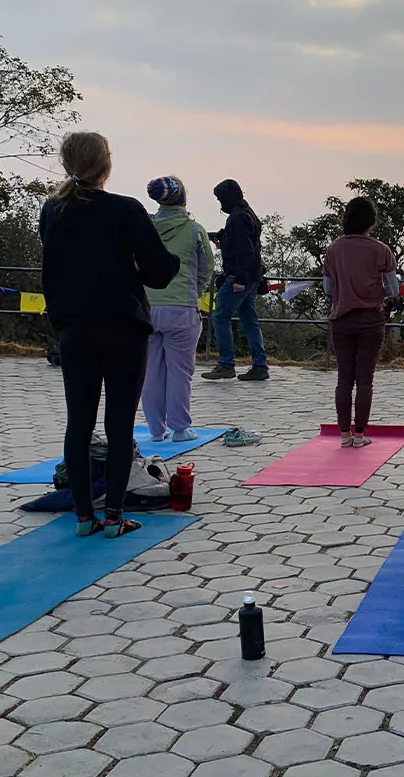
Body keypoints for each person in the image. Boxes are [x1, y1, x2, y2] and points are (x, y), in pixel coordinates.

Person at [40, 131, 179, 538]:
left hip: (74, 326)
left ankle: (84, 516)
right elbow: (157, 269)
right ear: (107, 164)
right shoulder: (125, 210)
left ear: (67, 164)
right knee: (119, 424)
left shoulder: (53, 210)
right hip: (122, 326)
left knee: (78, 423)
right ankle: (115, 516)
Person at [141, 176, 212, 443]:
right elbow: (205, 268)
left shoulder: (145, 227)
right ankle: (181, 428)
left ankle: (156, 431)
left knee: (151, 372)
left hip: (146, 306)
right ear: (183, 197)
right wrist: (197, 290)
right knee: (180, 372)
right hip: (182, 307)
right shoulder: (195, 230)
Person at [323, 197, 399, 447]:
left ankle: (343, 435)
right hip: (370, 320)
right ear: (371, 221)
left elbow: (327, 287)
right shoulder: (381, 250)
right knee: (365, 380)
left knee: (344, 378)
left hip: (341, 319)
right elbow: (393, 289)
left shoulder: (334, 249)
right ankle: (359, 435)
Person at [203, 178, 269, 381]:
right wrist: (221, 236)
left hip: (241, 276)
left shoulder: (237, 218)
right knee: (249, 319)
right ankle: (259, 365)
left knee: (220, 315)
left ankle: (226, 363)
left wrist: (239, 277)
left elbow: (244, 249)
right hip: (253, 276)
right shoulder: (246, 214)